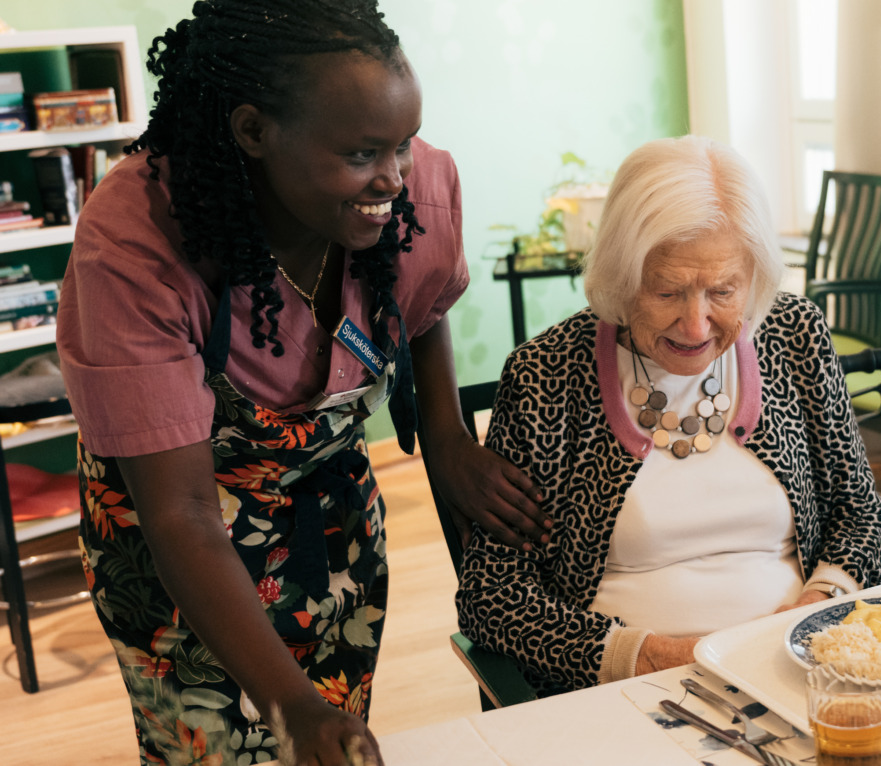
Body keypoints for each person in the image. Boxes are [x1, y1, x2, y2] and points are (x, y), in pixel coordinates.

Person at [55, 2, 547, 764]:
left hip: (330, 518)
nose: (392, 178)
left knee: (337, 733)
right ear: (253, 132)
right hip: (178, 544)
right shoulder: (136, 244)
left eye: (404, 145)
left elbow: (419, 305)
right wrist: (290, 706)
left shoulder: (414, 190)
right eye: (361, 155)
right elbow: (181, 513)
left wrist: (446, 438)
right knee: (221, 747)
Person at [455, 135, 881, 695]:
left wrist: (815, 613)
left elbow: (860, 515)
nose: (696, 325)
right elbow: (493, 598)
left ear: (753, 277)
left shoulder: (794, 335)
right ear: (621, 273)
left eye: (723, 290)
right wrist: (661, 658)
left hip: (799, 666)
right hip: (628, 690)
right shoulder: (547, 374)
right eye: (667, 291)